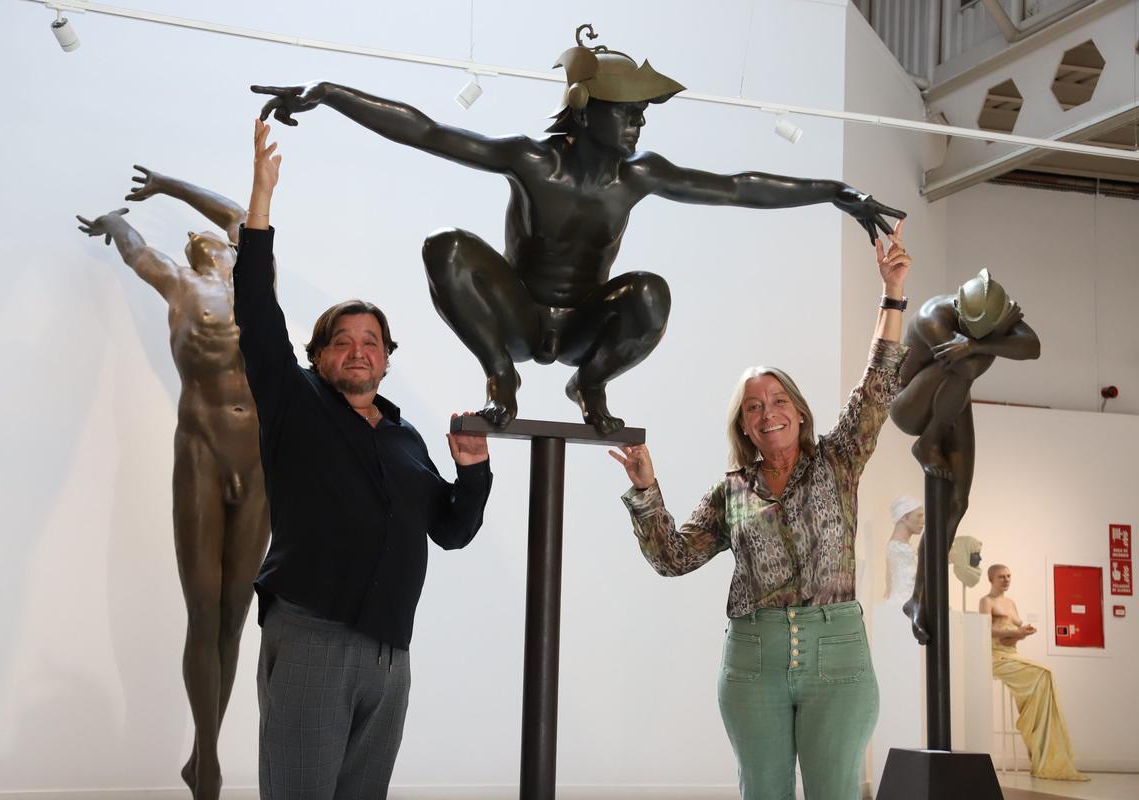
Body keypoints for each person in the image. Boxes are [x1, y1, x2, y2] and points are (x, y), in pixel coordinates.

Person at [251, 24, 905, 434]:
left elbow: (738, 187)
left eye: (640, 115)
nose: (636, 126)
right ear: (586, 111)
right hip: (518, 317)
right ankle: (500, 375)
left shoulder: (638, 176)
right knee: (445, 247)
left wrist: (836, 192)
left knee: (650, 292)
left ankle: (589, 383)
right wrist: (330, 91)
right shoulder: (532, 161)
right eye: (625, 113)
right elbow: (426, 131)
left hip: (583, 327)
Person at [233, 119, 493, 799]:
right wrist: (261, 202)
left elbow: (452, 530)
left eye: (371, 341)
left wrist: (473, 471)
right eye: (342, 340)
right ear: (319, 356)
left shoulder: (404, 440)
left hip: (389, 657)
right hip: (312, 637)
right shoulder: (295, 402)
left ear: (385, 358)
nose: (358, 350)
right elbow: (256, 311)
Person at [610, 221, 912, 798]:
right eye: (753, 407)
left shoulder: (838, 460)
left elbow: (877, 384)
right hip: (753, 662)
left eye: (777, 400)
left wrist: (892, 293)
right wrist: (647, 491)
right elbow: (673, 559)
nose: (767, 412)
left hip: (837, 658)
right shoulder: (731, 492)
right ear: (744, 426)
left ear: (798, 411)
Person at [77, 169, 270, 800]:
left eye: (211, 235)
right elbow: (135, 251)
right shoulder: (179, 284)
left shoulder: (257, 278)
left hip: (260, 461)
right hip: (201, 452)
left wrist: (167, 185)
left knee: (235, 615)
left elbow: (239, 212)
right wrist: (114, 222)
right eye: (198, 239)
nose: (205, 238)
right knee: (204, 610)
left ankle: (202, 754)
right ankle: (207, 761)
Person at [891, 269, 1040, 643]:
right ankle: (927, 443)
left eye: (987, 329)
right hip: (910, 406)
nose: (979, 336)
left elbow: (1032, 347)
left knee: (957, 503)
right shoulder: (934, 316)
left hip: (953, 402)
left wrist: (975, 343)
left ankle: (919, 597)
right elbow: (969, 369)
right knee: (960, 371)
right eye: (974, 331)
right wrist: (992, 339)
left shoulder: (991, 317)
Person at [979, 564, 1088, 781]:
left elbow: (1012, 633)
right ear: (991, 579)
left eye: (1009, 576)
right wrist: (1017, 632)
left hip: (1012, 653)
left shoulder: (1011, 603)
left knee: (1046, 675)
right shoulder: (987, 601)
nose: (1006, 580)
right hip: (996, 657)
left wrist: (1022, 633)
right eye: (1001, 577)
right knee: (1043, 673)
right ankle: (1038, 737)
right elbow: (984, 629)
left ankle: (1045, 749)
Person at [885, 496, 923, 605]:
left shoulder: (900, 548)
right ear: (905, 517)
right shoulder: (900, 550)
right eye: (919, 516)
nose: (923, 521)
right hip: (903, 606)